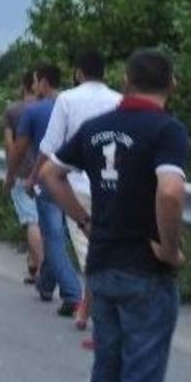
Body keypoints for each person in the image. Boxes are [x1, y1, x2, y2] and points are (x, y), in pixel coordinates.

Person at [41, 49, 189, 382]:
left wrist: (84, 220)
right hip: (146, 271)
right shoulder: (167, 130)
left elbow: (50, 174)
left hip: (103, 267)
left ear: (126, 80)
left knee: (107, 372)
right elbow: (172, 192)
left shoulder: (97, 127)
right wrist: (170, 249)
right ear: (172, 84)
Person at [32, 49, 121, 336]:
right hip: (112, 184)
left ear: (78, 72)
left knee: (88, 249)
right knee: (103, 245)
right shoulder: (119, 100)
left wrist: (35, 177)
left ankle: (101, 311)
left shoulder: (67, 100)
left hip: (75, 185)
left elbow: (50, 146)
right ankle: (85, 307)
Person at [12, 63, 82, 316]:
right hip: (79, 180)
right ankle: (45, 284)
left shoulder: (36, 111)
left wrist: (24, 177)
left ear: (43, 82)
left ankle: (73, 294)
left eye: (34, 80)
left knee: (52, 236)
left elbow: (29, 148)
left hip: (51, 180)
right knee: (58, 235)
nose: (33, 86)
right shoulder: (75, 104)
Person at [1, 71, 43, 284]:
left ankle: (44, 269)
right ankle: (34, 266)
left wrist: (10, 171)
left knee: (31, 221)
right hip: (46, 171)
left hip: (22, 171)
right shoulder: (50, 108)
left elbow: (10, 144)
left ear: (23, 86)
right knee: (45, 221)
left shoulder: (13, 110)